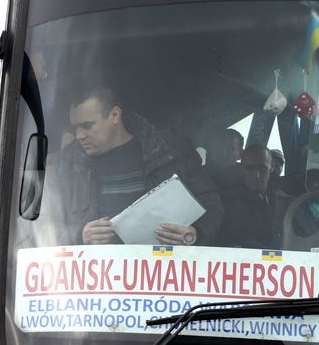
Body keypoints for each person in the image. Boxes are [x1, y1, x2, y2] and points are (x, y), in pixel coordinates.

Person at [47, 83, 223, 247]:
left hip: (163, 272)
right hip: (92, 277)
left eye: (87, 126)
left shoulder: (172, 153)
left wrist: (195, 233)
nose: (79, 135)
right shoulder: (63, 167)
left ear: (115, 115)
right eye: (75, 128)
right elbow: (40, 227)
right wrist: (80, 235)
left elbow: (211, 204)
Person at [216, 144, 281, 250]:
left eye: (262, 168)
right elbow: (236, 238)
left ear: (272, 166)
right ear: (241, 169)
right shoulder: (229, 202)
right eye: (249, 168)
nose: (256, 175)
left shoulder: (283, 198)